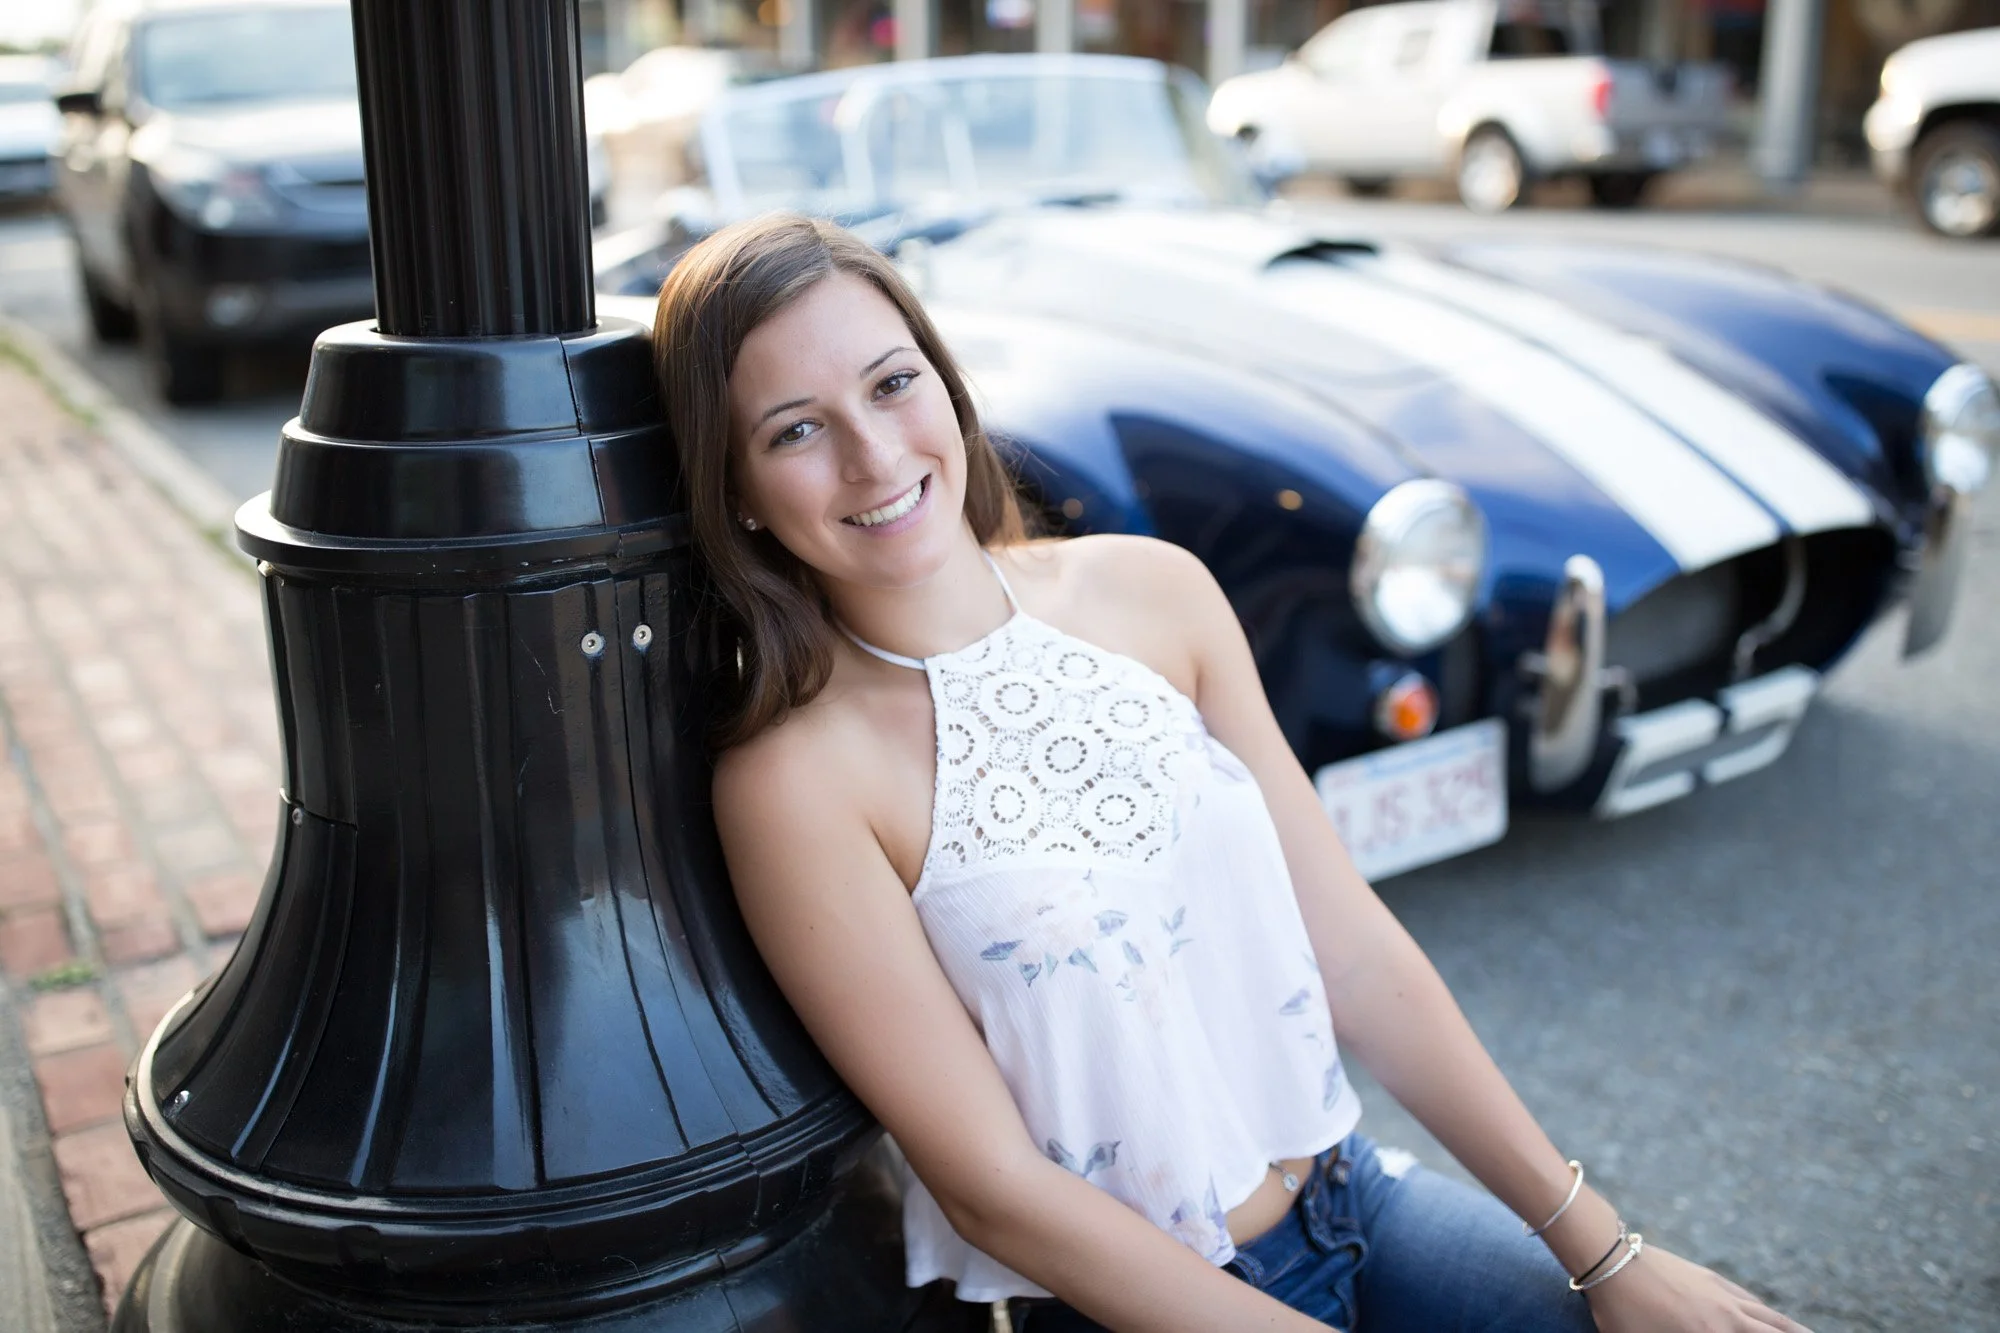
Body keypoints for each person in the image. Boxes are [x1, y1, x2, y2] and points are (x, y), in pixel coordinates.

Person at [650, 211, 1808, 1333]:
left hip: (1350, 1191)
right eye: (794, 429)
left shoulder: (1154, 592)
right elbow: (993, 1188)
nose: (872, 451)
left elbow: (1349, 947)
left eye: (891, 383)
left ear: (945, 384)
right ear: (736, 491)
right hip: (1132, 1305)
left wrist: (1603, 1249)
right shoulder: (795, 780)